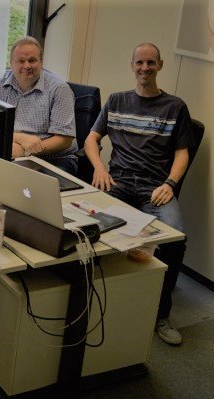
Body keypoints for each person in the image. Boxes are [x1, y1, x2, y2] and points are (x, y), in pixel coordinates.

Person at [84, 43, 194, 346]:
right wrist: (99, 168)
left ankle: (161, 315)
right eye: (139, 63)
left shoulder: (175, 107)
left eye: (150, 63)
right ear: (132, 65)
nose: (144, 68)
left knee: (176, 237)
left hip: (154, 187)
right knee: (90, 229)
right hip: (117, 181)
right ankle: (98, 301)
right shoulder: (116, 100)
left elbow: (183, 153)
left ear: (159, 66)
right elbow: (91, 139)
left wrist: (169, 184)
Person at [0, 36, 78, 174]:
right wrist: (20, 139)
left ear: (41, 62)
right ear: (11, 63)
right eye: (21, 61)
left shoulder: (59, 89)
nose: (27, 66)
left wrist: (25, 151)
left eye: (32, 60)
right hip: (11, 151)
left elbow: (65, 140)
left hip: (54, 159)